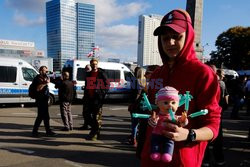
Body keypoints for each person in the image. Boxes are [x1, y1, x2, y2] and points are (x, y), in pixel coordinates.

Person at [140, 9, 221, 167]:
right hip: (151, 157)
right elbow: (152, 112)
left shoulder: (203, 73)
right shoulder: (157, 73)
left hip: (183, 160)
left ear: (188, 36)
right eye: (165, 38)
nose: (170, 43)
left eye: (176, 37)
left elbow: (213, 126)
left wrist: (189, 134)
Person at [150, 86, 188, 163]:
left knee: (169, 143)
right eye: (166, 103)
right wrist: (153, 121)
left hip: (170, 135)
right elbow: (152, 122)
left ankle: (167, 154)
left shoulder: (175, 117)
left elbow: (182, 122)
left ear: (178, 104)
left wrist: (183, 120)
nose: (170, 105)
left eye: (173, 102)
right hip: (156, 134)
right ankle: (155, 152)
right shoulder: (158, 116)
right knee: (155, 142)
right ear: (158, 103)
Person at [202, 69, 229, 166]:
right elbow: (226, 97)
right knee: (217, 137)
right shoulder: (220, 83)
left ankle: (207, 160)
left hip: (206, 113)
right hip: (216, 113)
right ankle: (219, 160)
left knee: (205, 138)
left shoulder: (204, 82)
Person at [83, 58, 110, 140]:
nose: (94, 65)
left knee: (96, 116)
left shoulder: (101, 73)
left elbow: (107, 84)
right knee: (86, 114)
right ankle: (95, 129)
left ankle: (95, 133)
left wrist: (102, 94)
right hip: (89, 98)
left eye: (96, 64)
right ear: (90, 64)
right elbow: (87, 85)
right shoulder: (89, 74)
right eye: (93, 64)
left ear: (97, 64)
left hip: (97, 98)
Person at [32, 66, 56, 137]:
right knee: (40, 117)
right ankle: (34, 132)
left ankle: (48, 131)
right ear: (40, 71)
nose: (46, 72)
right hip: (40, 100)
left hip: (45, 100)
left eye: (46, 71)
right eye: (44, 71)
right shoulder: (37, 78)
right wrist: (45, 83)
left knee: (46, 117)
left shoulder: (44, 77)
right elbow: (38, 89)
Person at [127, 67, 146, 147]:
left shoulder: (135, 81)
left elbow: (135, 94)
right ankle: (140, 139)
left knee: (134, 123)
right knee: (141, 123)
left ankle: (133, 139)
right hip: (144, 105)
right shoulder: (146, 82)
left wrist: (132, 103)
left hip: (135, 105)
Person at [79, 64, 92, 130]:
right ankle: (86, 125)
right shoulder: (87, 75)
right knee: (85, 112)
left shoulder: (91, 76)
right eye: (85, 69)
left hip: (89, 98)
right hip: (87, 97)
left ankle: (91, 125)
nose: (86, 70)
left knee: (87, 112)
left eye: (87, 68)